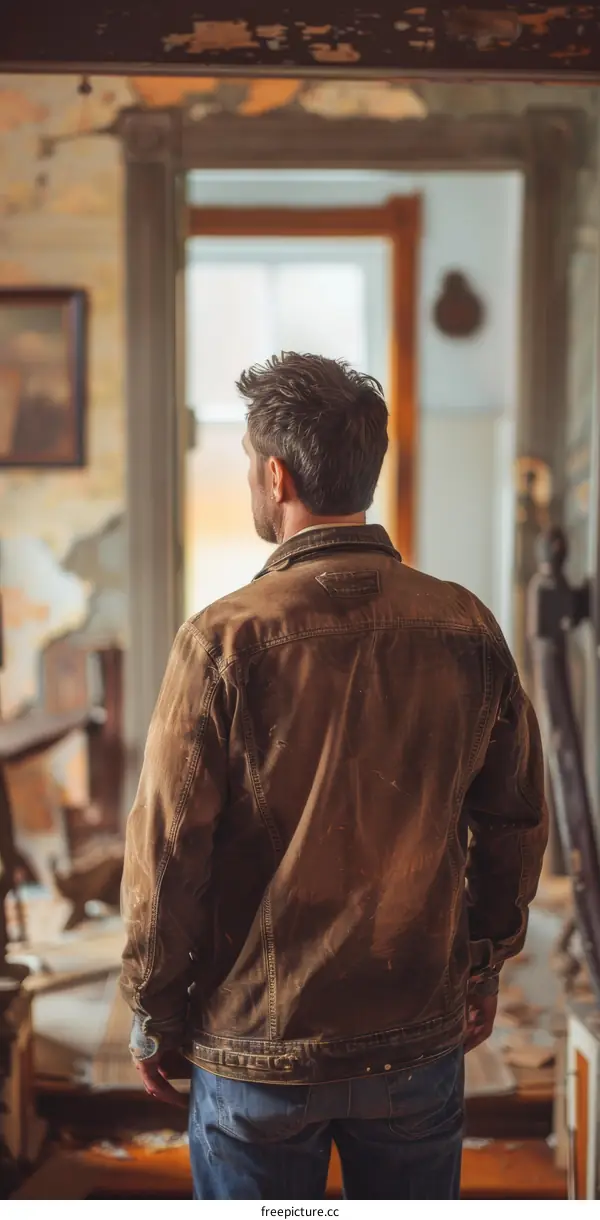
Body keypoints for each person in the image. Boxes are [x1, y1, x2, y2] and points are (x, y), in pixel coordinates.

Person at [120, 352, 547, 1201]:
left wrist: (152, 1008)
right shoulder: (465, 625)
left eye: (247, 462)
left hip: (257, 1053)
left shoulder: (221, 640)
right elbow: (513, 819)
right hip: (415, 1036)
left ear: (274, 475)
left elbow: (170, 853)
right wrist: (484, 962)